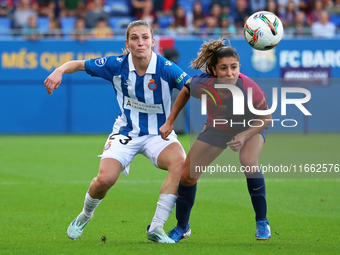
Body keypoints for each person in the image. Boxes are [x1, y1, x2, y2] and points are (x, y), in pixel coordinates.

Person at [44, 20, 190, 244]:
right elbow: (79, 64)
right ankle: (85, 215)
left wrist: (214, 94)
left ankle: (157, 227)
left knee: (180, 165)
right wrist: (59, 70)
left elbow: (190, 85)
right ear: (127, 43)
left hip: (158, 134)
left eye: (144, 38)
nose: (140, 42)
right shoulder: (116, 65)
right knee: (104, 180)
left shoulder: (166, 68)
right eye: (134, 38)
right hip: (127, 131)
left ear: (153, 41)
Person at [159, 38, 272, 242]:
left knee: (248, 162)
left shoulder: (251, 89)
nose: (229, 73)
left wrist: (244, 136)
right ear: (213, 70)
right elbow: (185, 90)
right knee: (187, 175)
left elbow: (266, 118)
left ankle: (262, 221)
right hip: (218, 127)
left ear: (239, 67)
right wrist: (170, 121)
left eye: (234, 67)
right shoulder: (203, 83)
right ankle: (182, 227)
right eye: (223, 68)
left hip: (251, 127)